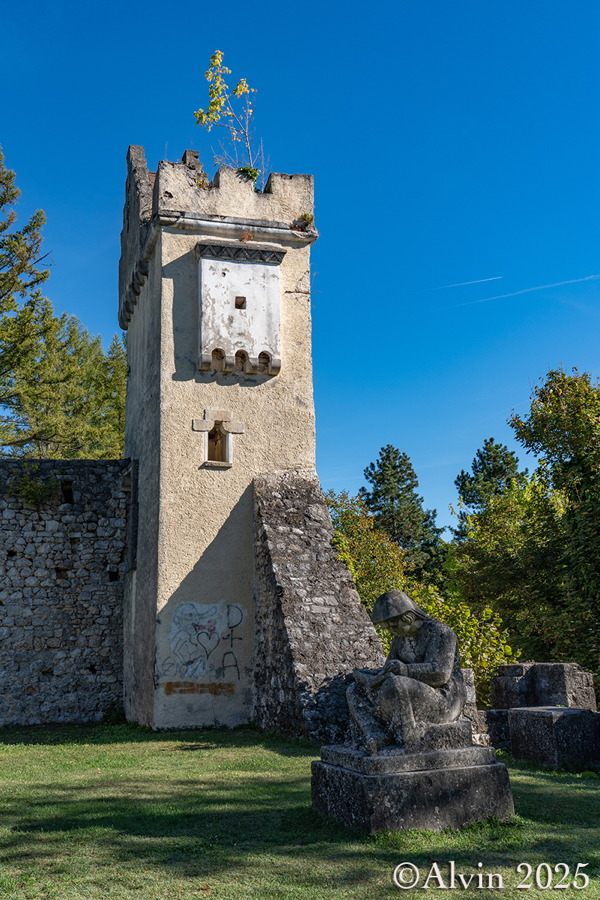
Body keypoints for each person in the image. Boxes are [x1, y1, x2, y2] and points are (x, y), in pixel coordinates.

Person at [347, 590, 466, 753]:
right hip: (411, 690)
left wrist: (404, 670)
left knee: (397, 683)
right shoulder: (400, 638)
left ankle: (409, 736)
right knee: (355, 689)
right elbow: (389, 669)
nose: (391, 630)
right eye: (387, 627)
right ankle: (376, 734)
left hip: (445, 698)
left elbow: (440, 674)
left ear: (408, 616)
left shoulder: (440, 633)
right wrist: (369, 677)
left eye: (393, 625)